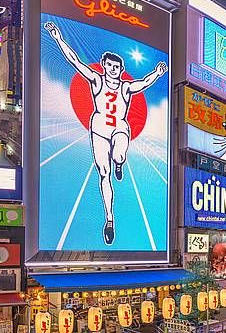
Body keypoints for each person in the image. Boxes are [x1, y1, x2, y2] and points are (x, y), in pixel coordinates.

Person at [43, 21, 167, 245]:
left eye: (116, 67)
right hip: (99, 127)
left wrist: (157, 74)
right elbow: (75, 61)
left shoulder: (126, 87)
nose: (113, 69)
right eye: (109, 66)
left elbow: (144, 82)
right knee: (103, 172)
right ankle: (109, 219)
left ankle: (120, 161)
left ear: (121, 69)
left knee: (119, 155)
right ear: (104, 66)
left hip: (119, 126)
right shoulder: (96, 80)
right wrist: (58, 37)